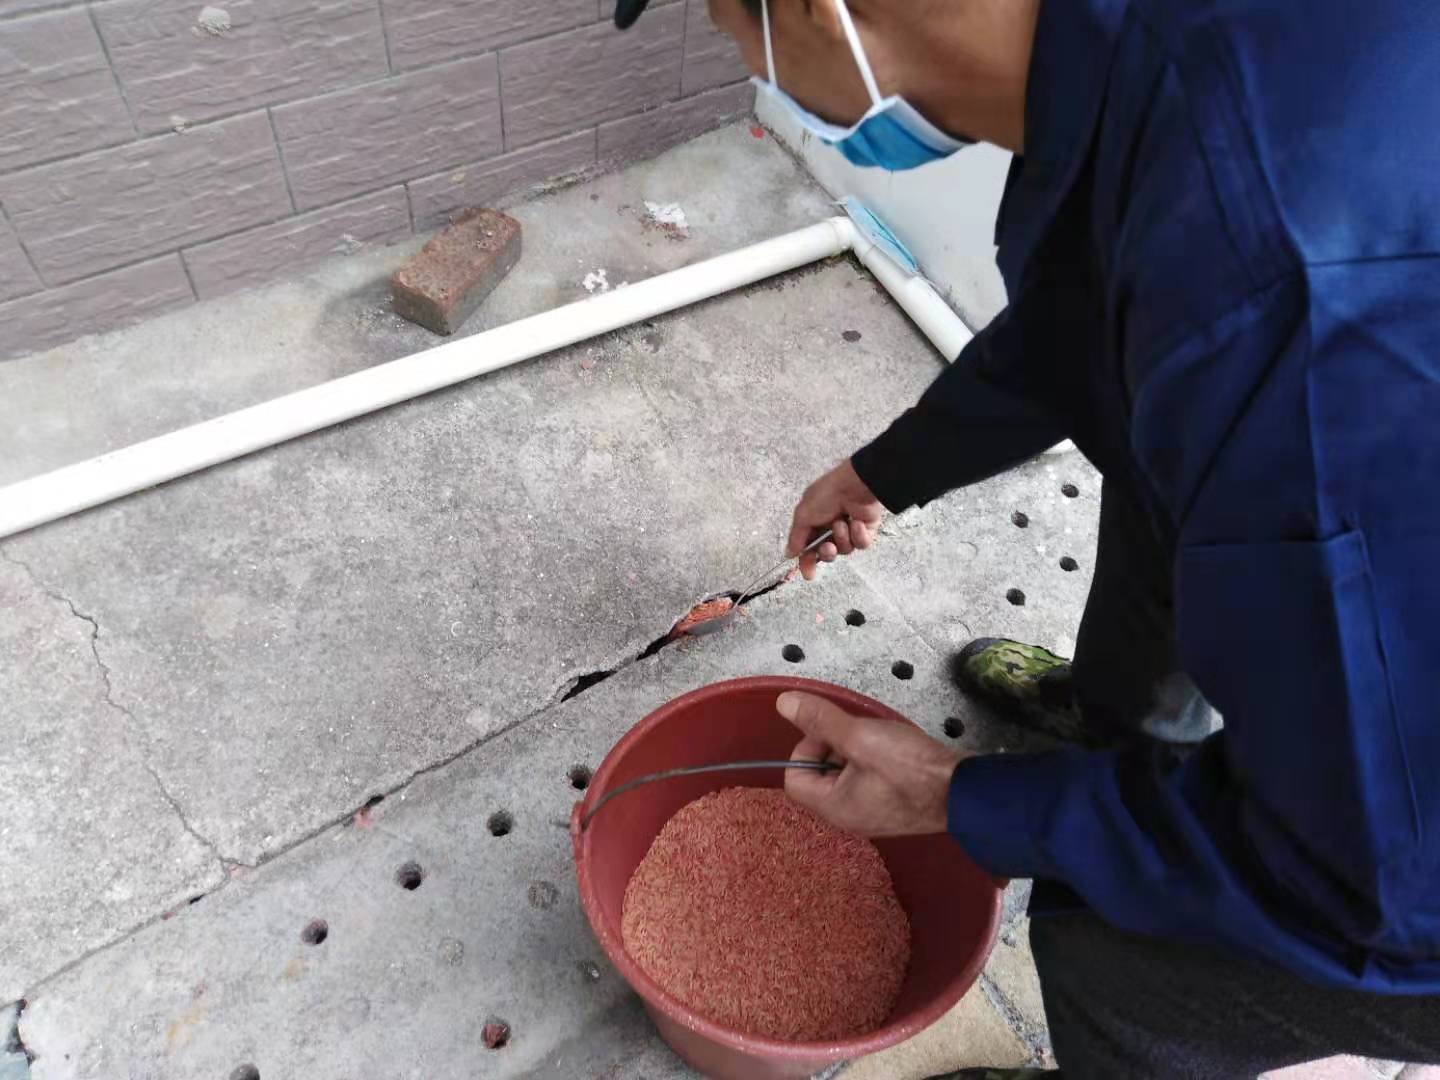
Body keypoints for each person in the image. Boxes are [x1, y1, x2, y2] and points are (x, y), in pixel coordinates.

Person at [613, 0, 1440, 1076]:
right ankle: (1122, 728)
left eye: (732, 27)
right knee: (1156, 499)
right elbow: (1082, 325)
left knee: (1108, 940)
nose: (748, 66)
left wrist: (966, 801)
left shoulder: (1280, 327)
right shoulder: (1141, 67)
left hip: (1413, 875)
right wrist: (890, 469)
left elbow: (1378, 881)